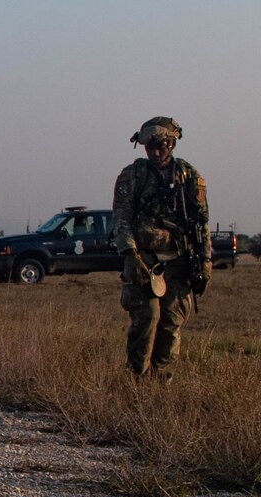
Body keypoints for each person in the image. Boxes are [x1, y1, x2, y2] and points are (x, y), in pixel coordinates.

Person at [112, 116, 212, 378]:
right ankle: (136, 380)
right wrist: (130, 254)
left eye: (162, 146)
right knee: (147, 318)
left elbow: (201, 225)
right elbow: (121, 217)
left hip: (178, 260)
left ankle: (160, 381)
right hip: (143, 258)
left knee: (171, 323)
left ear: (172, 145)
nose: (156, 152)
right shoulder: (133, 175)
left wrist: (205, 263)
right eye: (151, 147)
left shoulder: (189, 176)